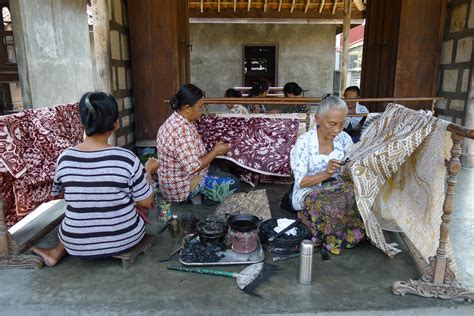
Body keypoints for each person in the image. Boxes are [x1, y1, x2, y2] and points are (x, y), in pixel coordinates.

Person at [31, 92, 159, 266]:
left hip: (75, 241)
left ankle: (55, 252)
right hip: (124, 238)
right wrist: (148, 173)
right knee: (139, 198)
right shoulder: (126, 158)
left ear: (82, 122)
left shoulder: (65, 158)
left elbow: (58, 193)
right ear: (115, 123)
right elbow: (145, 202)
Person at [290, 95, 365, 255]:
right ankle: (310, 221)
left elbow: (351, 168)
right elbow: (301, 182)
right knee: (327, 205)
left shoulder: (344, 139)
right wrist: (327, 172)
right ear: (317, 119)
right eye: (332, 124)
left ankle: (332, 230)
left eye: (341, 124)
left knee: (358, 194)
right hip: (309, 190)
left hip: (336, 187)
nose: (338, 129)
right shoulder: (304, 142)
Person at [156, 84, 239, 204]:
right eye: (200, 107)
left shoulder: (176, 120)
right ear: (188, 108)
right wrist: (215, 151)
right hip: (181, 187)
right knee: (234, 184)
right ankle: (198, 197)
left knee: (223, 169)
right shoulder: (180, 131)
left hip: (176, 179)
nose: (202, 110)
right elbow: (194, 167)